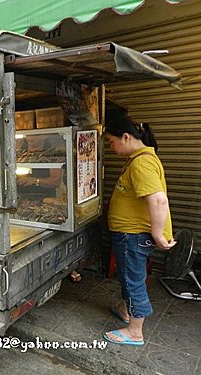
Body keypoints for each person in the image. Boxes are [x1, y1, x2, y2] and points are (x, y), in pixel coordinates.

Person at [104, 114, 176, 346]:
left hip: (133, 235)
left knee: (133, 280)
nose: (111, 145)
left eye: (111, 140)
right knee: (130, 276)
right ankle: (126, 309)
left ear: (126, 137)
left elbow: (158, 200)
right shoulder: (141, 158)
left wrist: (157, 234)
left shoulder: (142, 162)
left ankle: (135, 331)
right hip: (131, 235)